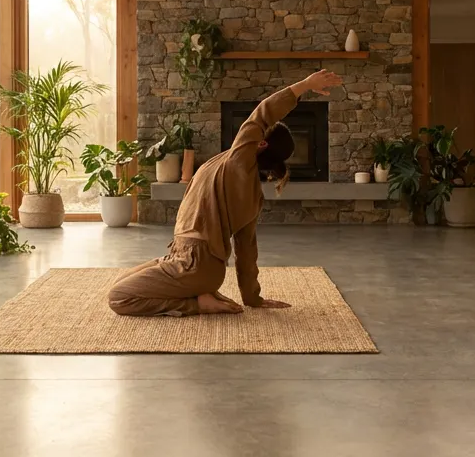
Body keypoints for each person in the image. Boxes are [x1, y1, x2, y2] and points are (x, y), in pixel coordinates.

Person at [108, 69, 344, 317]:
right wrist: (252, 298)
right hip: (190, 261)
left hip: (194, 263)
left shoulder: (238, 161)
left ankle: (197, 304)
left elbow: (260, 115)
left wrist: (304, 85)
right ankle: (202, 293)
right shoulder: (240, 177)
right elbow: (245, 250)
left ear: (261, 143)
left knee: (119, 297)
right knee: (121, 282)